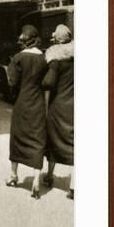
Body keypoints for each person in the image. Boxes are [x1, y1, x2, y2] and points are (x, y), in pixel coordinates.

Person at [6, 25, 48, 199]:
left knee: (17, 138)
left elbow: (12, 83)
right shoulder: (44, 59)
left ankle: (14, 176)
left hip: (22, 104)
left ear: (25, 40)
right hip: (38, 104)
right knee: (37, 140)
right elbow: (46, 82)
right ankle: (36, 183)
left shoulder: (18, 58)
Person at [41, 24, 75, 199]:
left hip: (58, 105)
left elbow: (48, 83)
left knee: (53, 140)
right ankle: (74, 185)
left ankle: (49, 175)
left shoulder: (55, 58)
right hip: (74, 104)